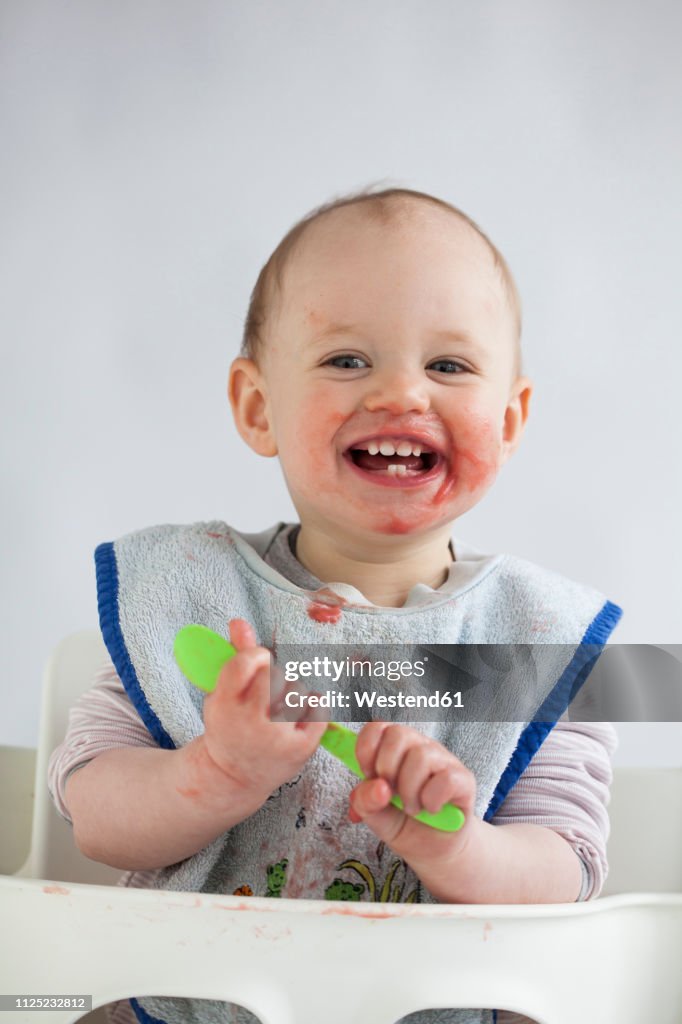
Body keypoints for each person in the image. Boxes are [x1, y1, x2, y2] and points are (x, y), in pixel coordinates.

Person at [49, 187, 622, 1024]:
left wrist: (460, 848)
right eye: (347, 359)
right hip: (187, 1004)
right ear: (257, 407)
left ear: (509, 417)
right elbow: (94, 815)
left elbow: (568, 870)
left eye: (449, 365)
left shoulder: (532, 641)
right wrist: (215, 773)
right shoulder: (198, 601)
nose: (401, 392)